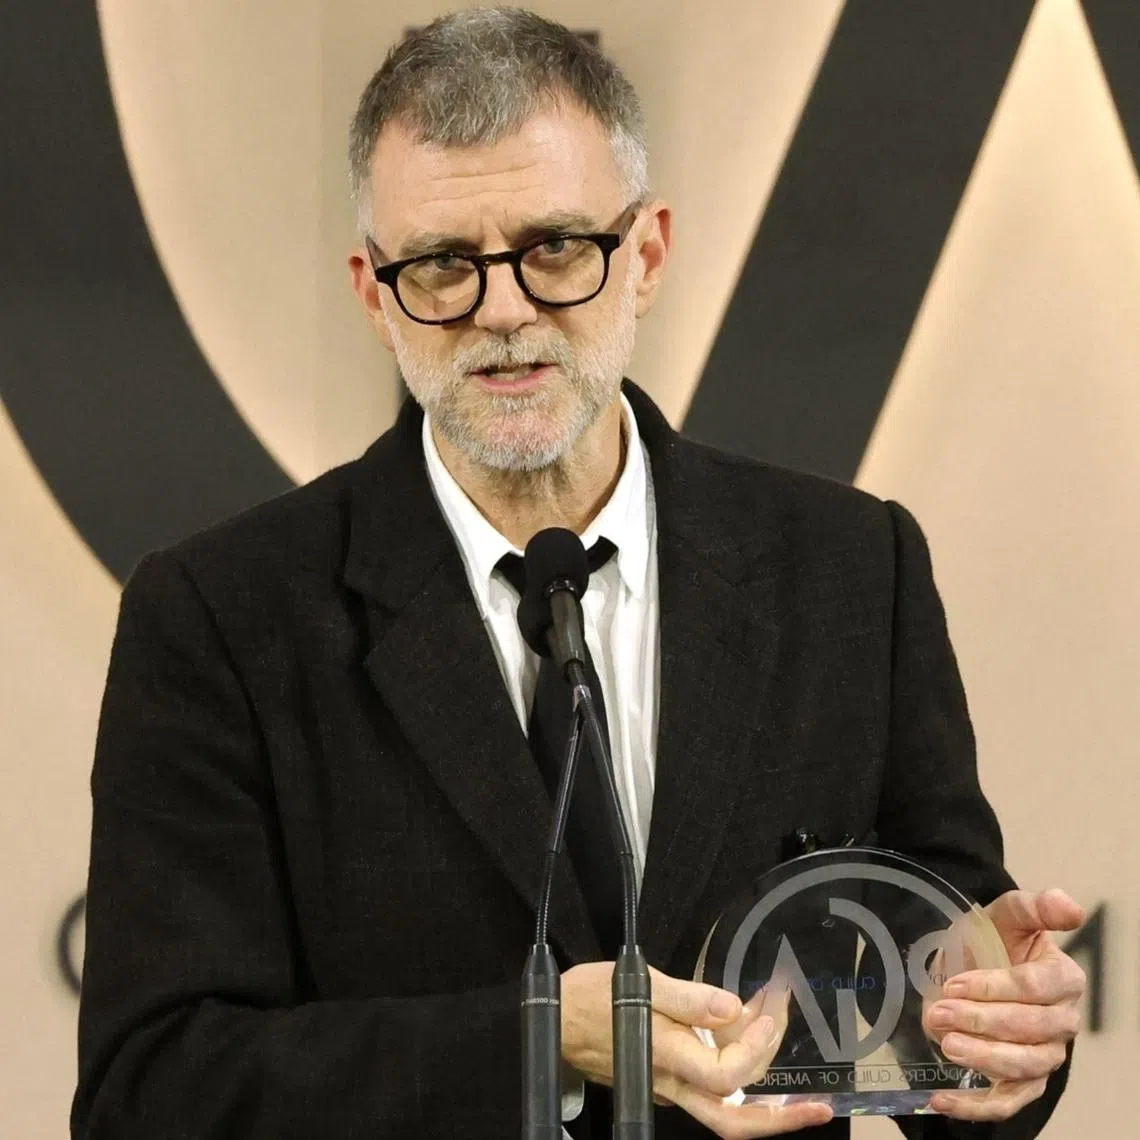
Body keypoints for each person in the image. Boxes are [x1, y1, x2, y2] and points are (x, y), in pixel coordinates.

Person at [72, 8, 1086, 1140]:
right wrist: (539, 1038)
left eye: (556, 247)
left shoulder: (852, 568)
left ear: (644, 254)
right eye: (446, 265)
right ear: (373, 289)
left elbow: (942, 1022)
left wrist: (1002, 1041)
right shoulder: (220, 617)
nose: (503, 312)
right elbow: (149, 1092)